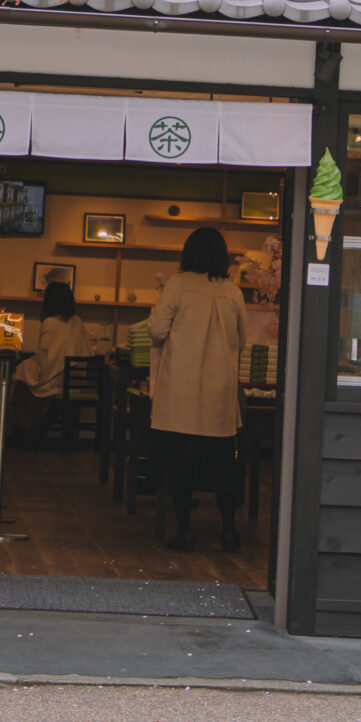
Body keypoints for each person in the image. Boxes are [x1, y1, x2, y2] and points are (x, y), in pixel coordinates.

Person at [147, 226, 247, 552]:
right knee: (223, 466)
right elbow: (242, 341)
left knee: (180, 466)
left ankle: (186, 531)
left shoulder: (177, 286)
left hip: (181, 394)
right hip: (219, 396)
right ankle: (229, 530)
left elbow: (157, 330)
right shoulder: (233, 292)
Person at [12, 278, 99, 443]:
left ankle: (25, 432)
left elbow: (44, 358)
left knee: (21, 375)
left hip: (55, 381)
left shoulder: (49, 322)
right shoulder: (78, 321)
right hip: (75, 382)